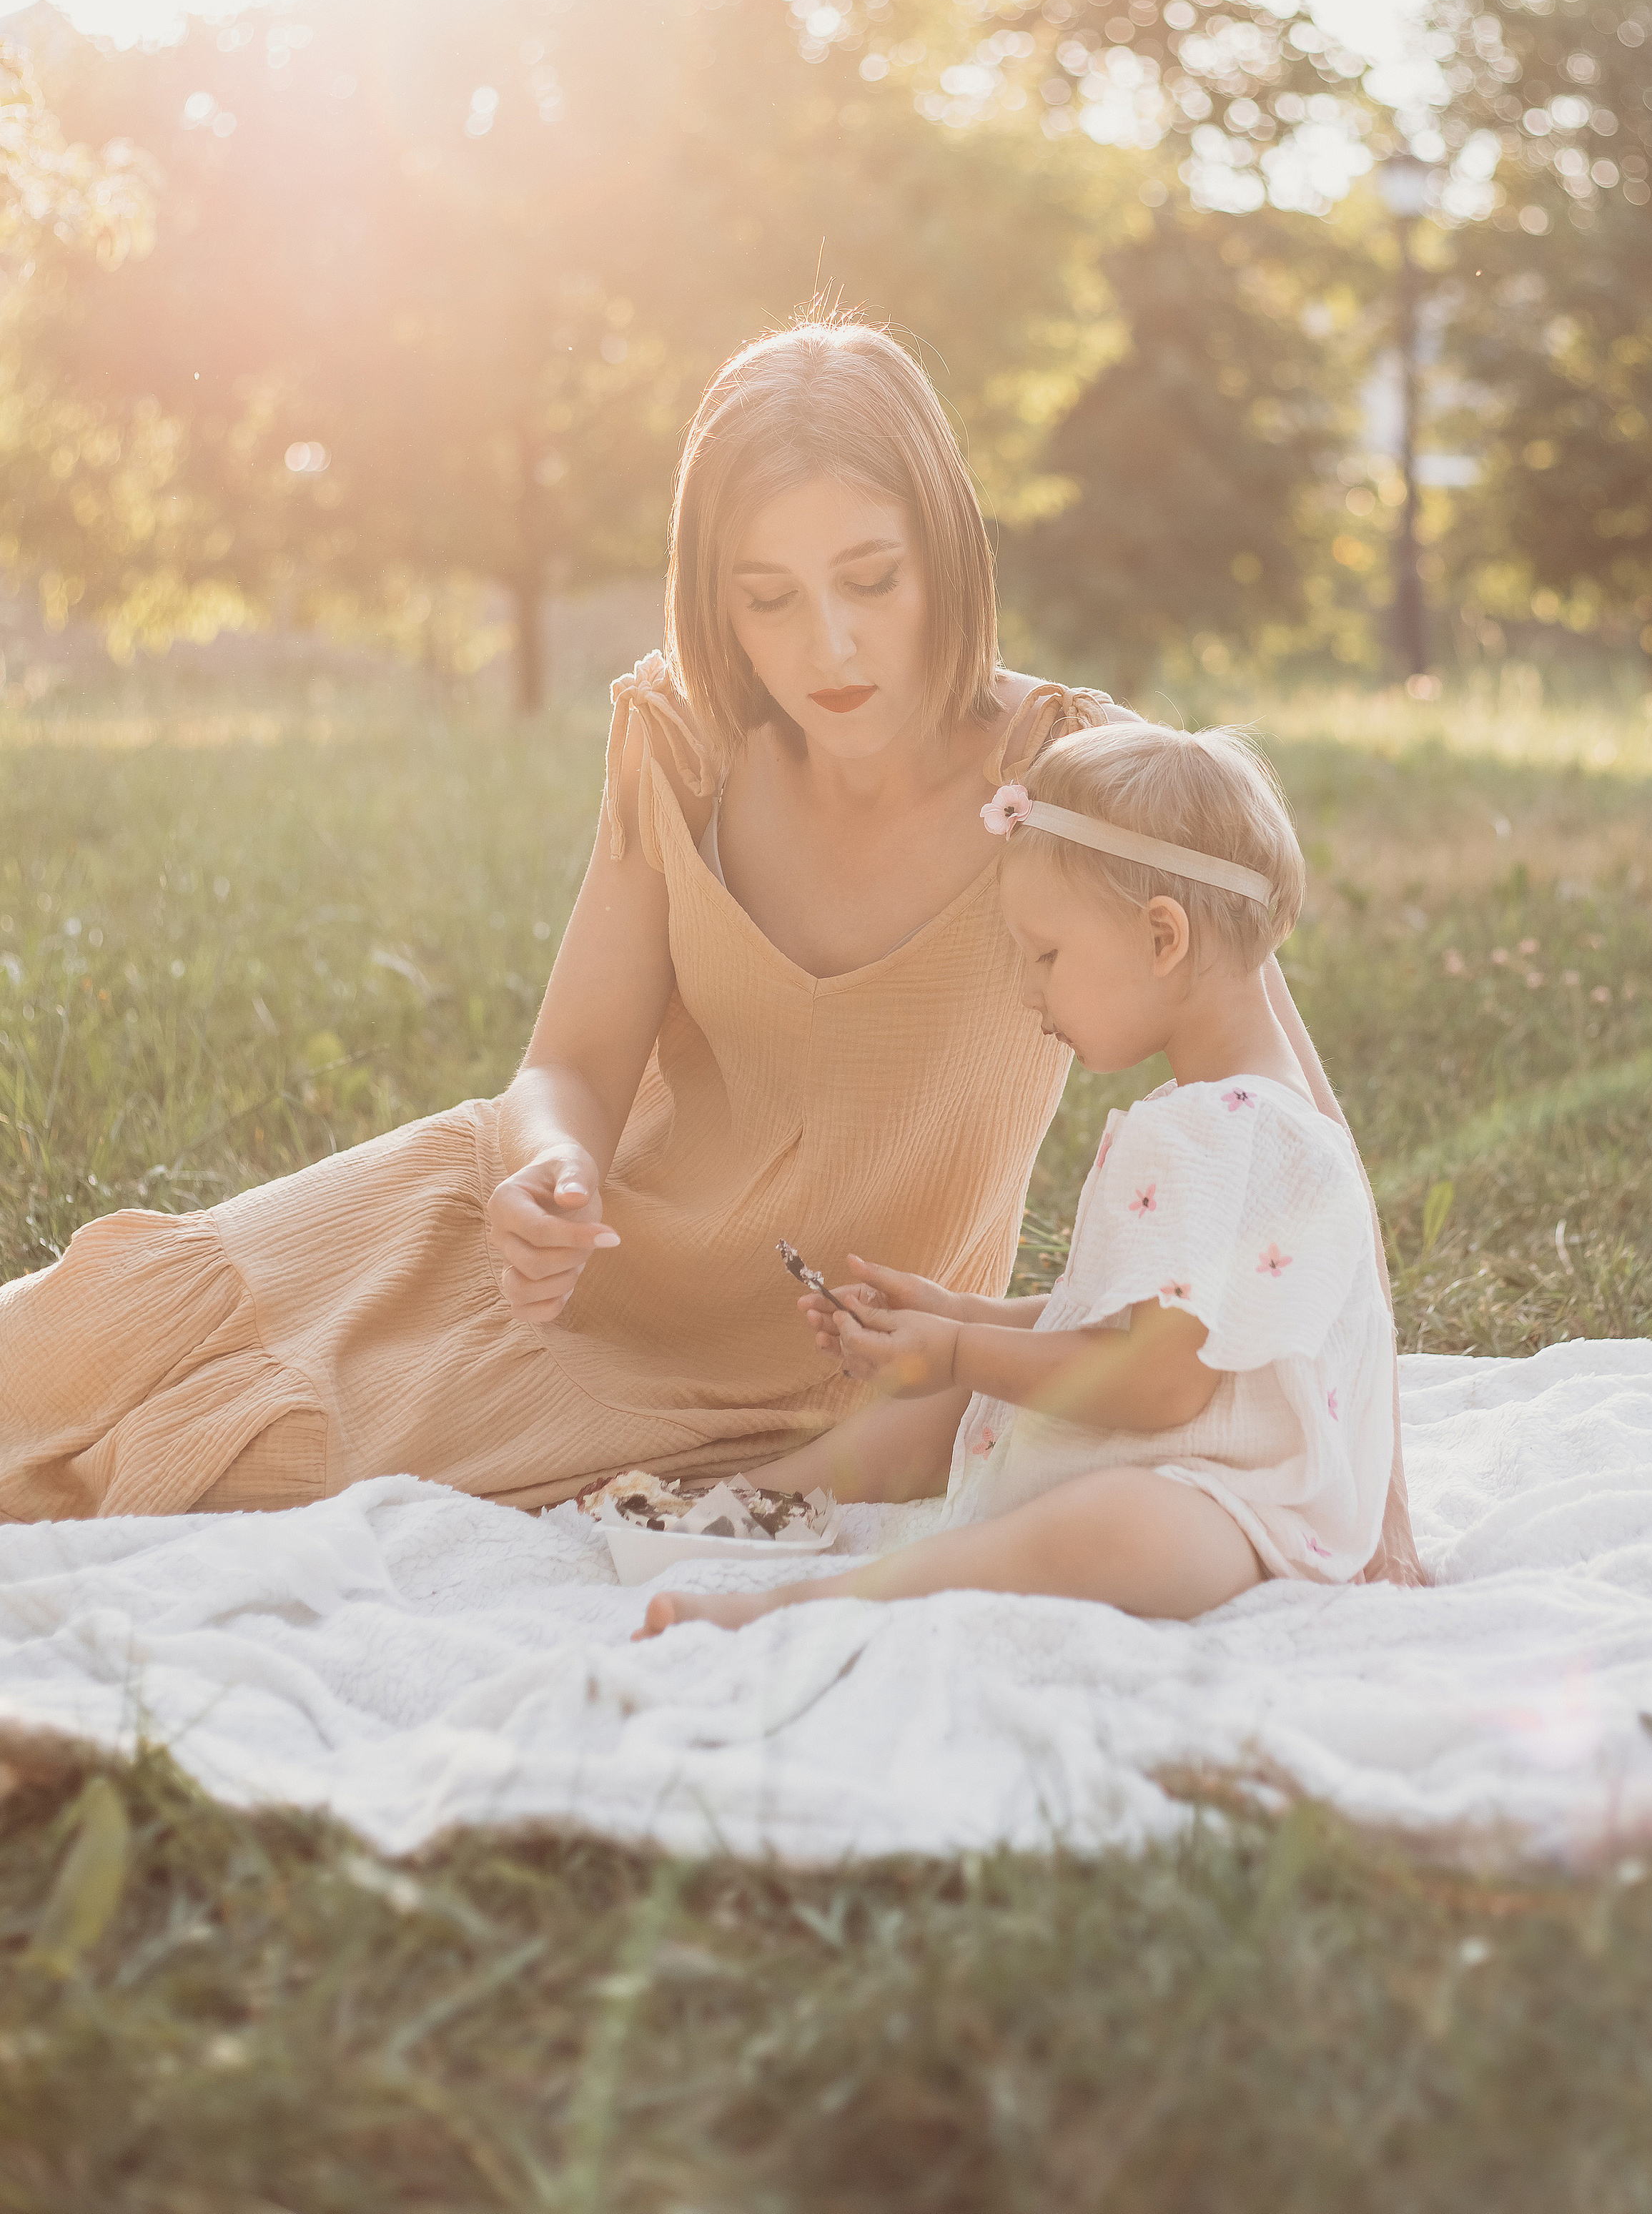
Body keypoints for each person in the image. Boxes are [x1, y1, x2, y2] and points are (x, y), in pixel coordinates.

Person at [1, 322, 1418, 1580]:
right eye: (768, 597)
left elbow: (1304, 1160)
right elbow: (568, 1064)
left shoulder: (1080, 780)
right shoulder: (681, 742)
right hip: (544, 1261)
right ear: (712, 596)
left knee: (257, 1464)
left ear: (944, 545)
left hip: (790, 1375)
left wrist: (1385, 1512)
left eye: (871, 576)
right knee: (89, 1328)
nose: (831, 643)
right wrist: (546, 1166)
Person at [640, 717, 1396, 1637]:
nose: (1028, 994)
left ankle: (804, 1602)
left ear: (1163, 937)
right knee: (968, 1399)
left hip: (1238, 1503)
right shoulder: (1275, 1115)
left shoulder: (1202, 1133)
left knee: (1113, 1528)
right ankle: (753, 1500)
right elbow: (1139, 1329)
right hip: (1183, 1446)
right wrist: (959, 1318)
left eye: (1045, 956)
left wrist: (957, 1354)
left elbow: (1163, 1387)